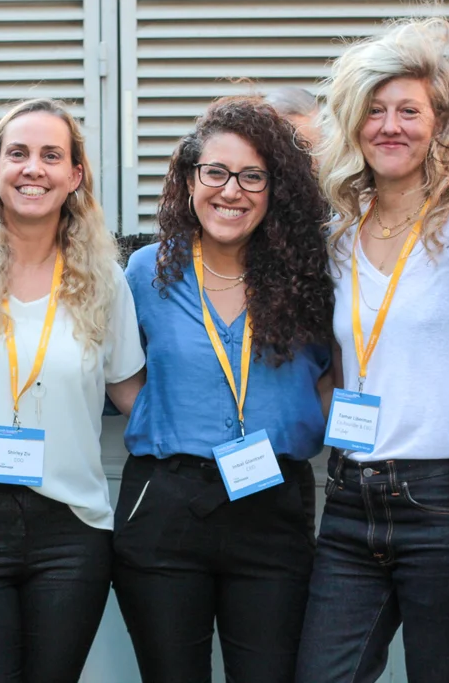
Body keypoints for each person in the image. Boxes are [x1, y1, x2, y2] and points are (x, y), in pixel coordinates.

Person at [0, 98, 146, 683]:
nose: (32, 169)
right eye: (16, 154)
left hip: (71, 529)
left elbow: (129, 392)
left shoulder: (103, 278)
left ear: (75, 176)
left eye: (51, 155)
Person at [113, 95, 334, 682]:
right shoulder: (146, 272)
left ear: (275, 189)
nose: (231, 191)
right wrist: (170, 419)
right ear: (190, 180)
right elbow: (120, 371)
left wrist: (295, 423)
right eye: (215, 172)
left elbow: (337, 372)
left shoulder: (311, 277)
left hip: (272, 503)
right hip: (166, 503)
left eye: (252, 177)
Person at [296, 18, 449, 683]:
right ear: (353, 125)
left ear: (439, 122)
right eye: (374, 111)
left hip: (444, 496)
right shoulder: (337, 234)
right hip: (350, 493)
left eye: (409, 110)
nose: (391, 125)